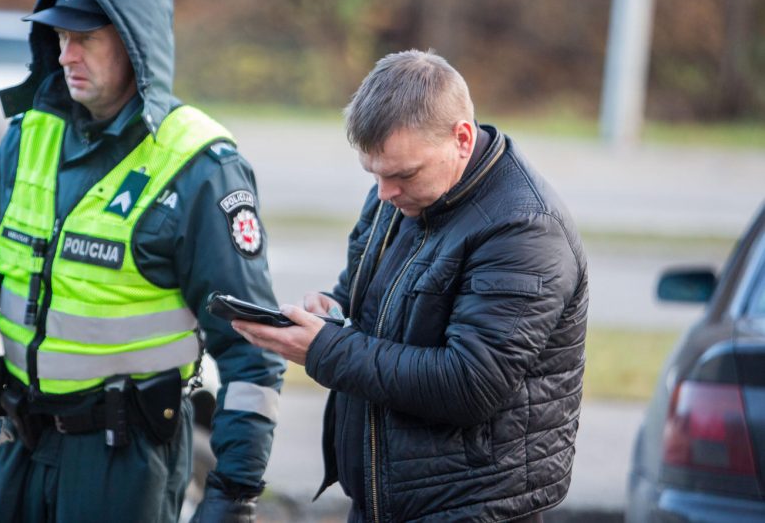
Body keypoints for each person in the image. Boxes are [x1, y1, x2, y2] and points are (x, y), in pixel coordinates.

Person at [0, 0, 285, 523]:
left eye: (85, 37)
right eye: (59, 37)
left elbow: (254, 353)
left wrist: (234, 492)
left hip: (123, 460)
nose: (66, 54)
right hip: (17, 442)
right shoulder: (29, 134)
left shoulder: (200, 167)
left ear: (136, 44)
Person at [233, 50, 588, 522]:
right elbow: (364, 291)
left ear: (462, 138)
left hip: (473, 507)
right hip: (389, 498)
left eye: (402, 174)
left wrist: (325, 349)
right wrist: (333, 309)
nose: (383, 193)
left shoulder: (525, 229)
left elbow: (470, 384)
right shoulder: (401, 192)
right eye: (373, 173)